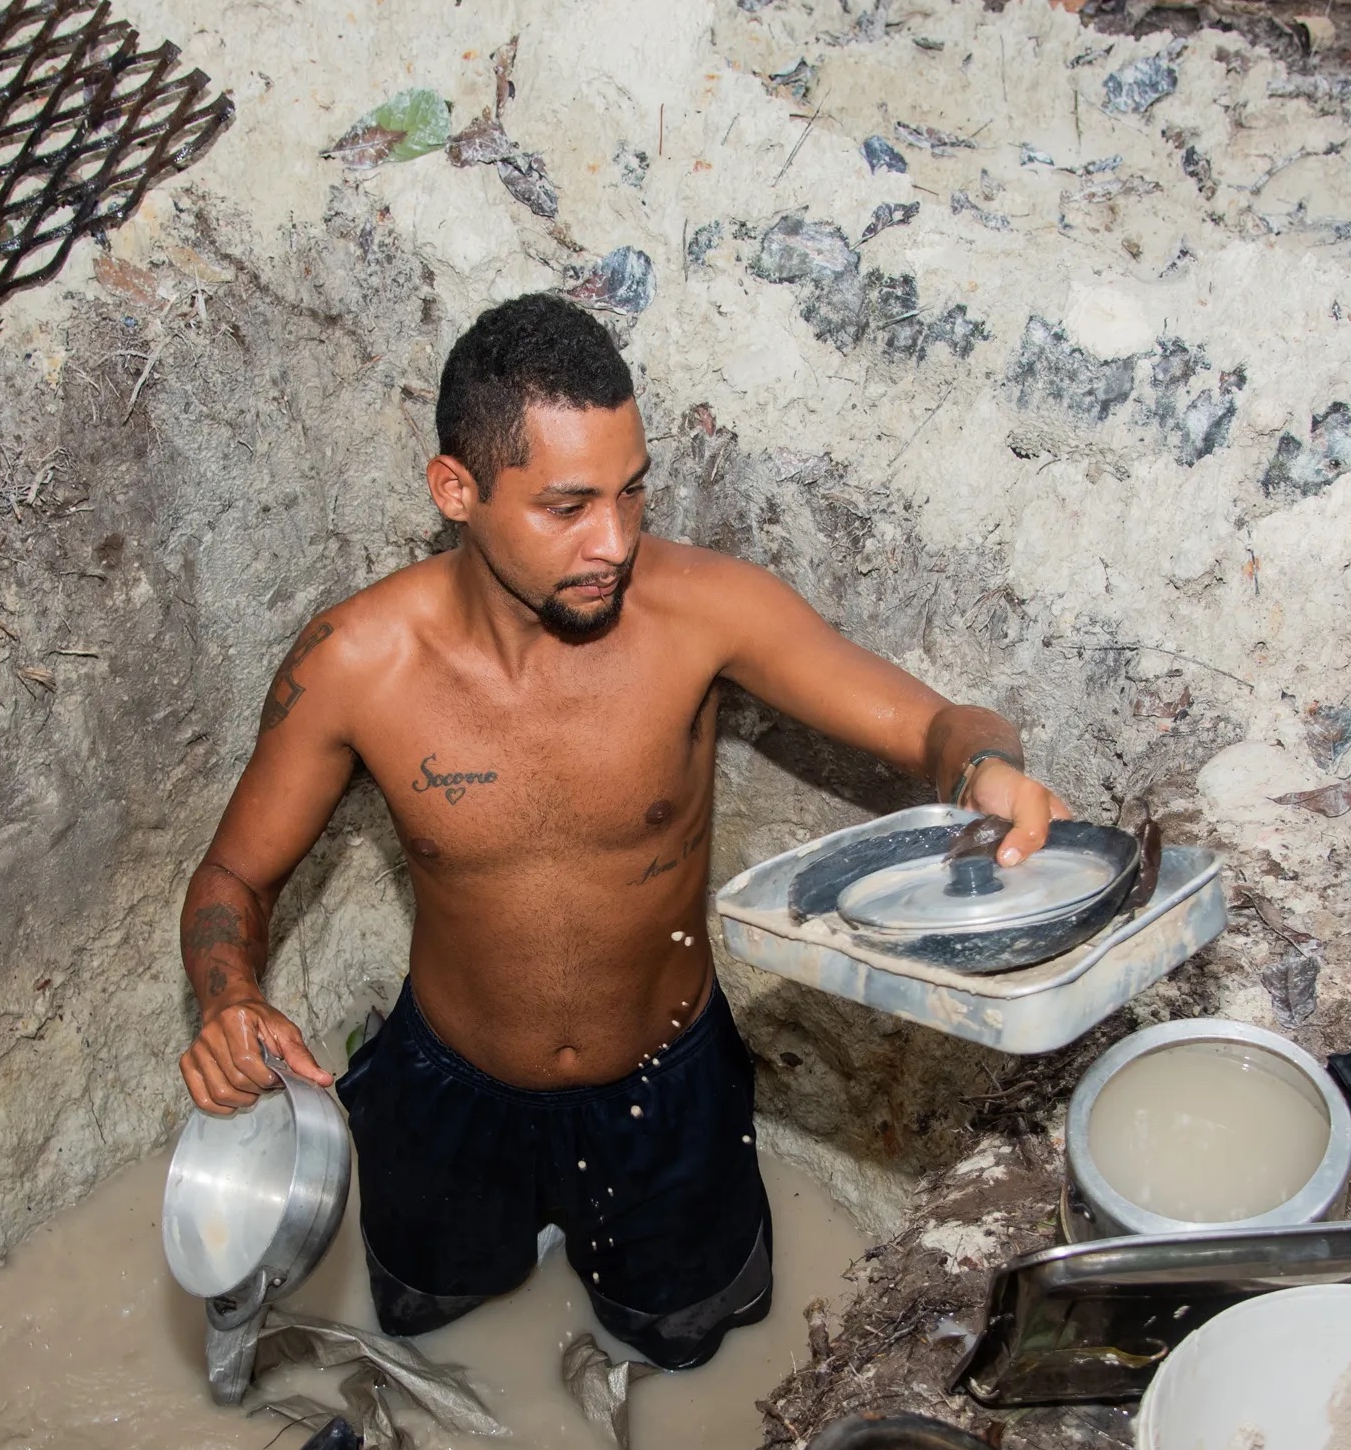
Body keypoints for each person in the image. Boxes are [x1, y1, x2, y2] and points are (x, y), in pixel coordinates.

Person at [176, 293, 1071, 1369]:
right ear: (455, 490)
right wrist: (230, 994)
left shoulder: (701, 613)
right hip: (446, 1089)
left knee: (686, 1342)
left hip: (665, 1086)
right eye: (566, 506)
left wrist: (984, 770)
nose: (614, 540)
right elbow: (234, 871)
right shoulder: (356, 663)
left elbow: (935, 722)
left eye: (631, 490)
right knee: (423, 1316)